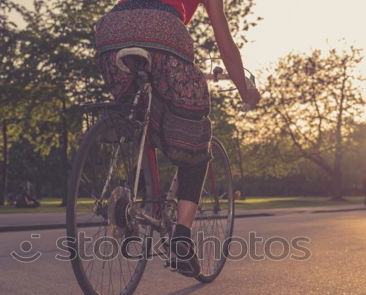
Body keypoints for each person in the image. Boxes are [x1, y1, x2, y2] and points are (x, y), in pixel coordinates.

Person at [94, 0, 260, 277]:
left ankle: (139, 201)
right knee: (193, 133)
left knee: (139, 113)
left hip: (111, 33)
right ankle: (182, 237)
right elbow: (226, 46)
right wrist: (245, 91)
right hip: (164, 31)